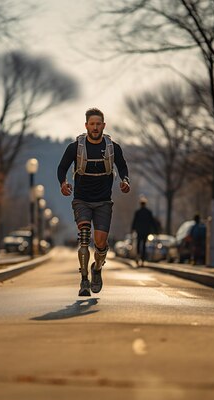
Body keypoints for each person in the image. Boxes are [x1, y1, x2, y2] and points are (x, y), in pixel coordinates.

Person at [57, 108, 131, 296]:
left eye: (98, 124)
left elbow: (122, 167)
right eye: (92, 124)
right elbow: (62, 168)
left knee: (100, 242)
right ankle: (83, 281)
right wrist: (63, 183)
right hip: (81, 200)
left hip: (104, 201)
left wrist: (125, 181)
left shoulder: (113, 147)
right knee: (84, 237)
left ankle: (97, 268)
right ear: (86, 126)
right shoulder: (75, 147)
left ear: (103, 126)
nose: (95, 127)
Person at [131, 196, 158, 267]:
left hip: (139, 231)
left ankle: (138, 256)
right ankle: (142, 260)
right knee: (144, 246)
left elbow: (134, 222)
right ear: (145, 204)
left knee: (138, 244)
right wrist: (156, 230)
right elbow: (152, 222)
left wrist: (132, 229)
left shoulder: (138, 212)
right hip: (146, 231)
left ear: (140, 204)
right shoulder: (149, 212)